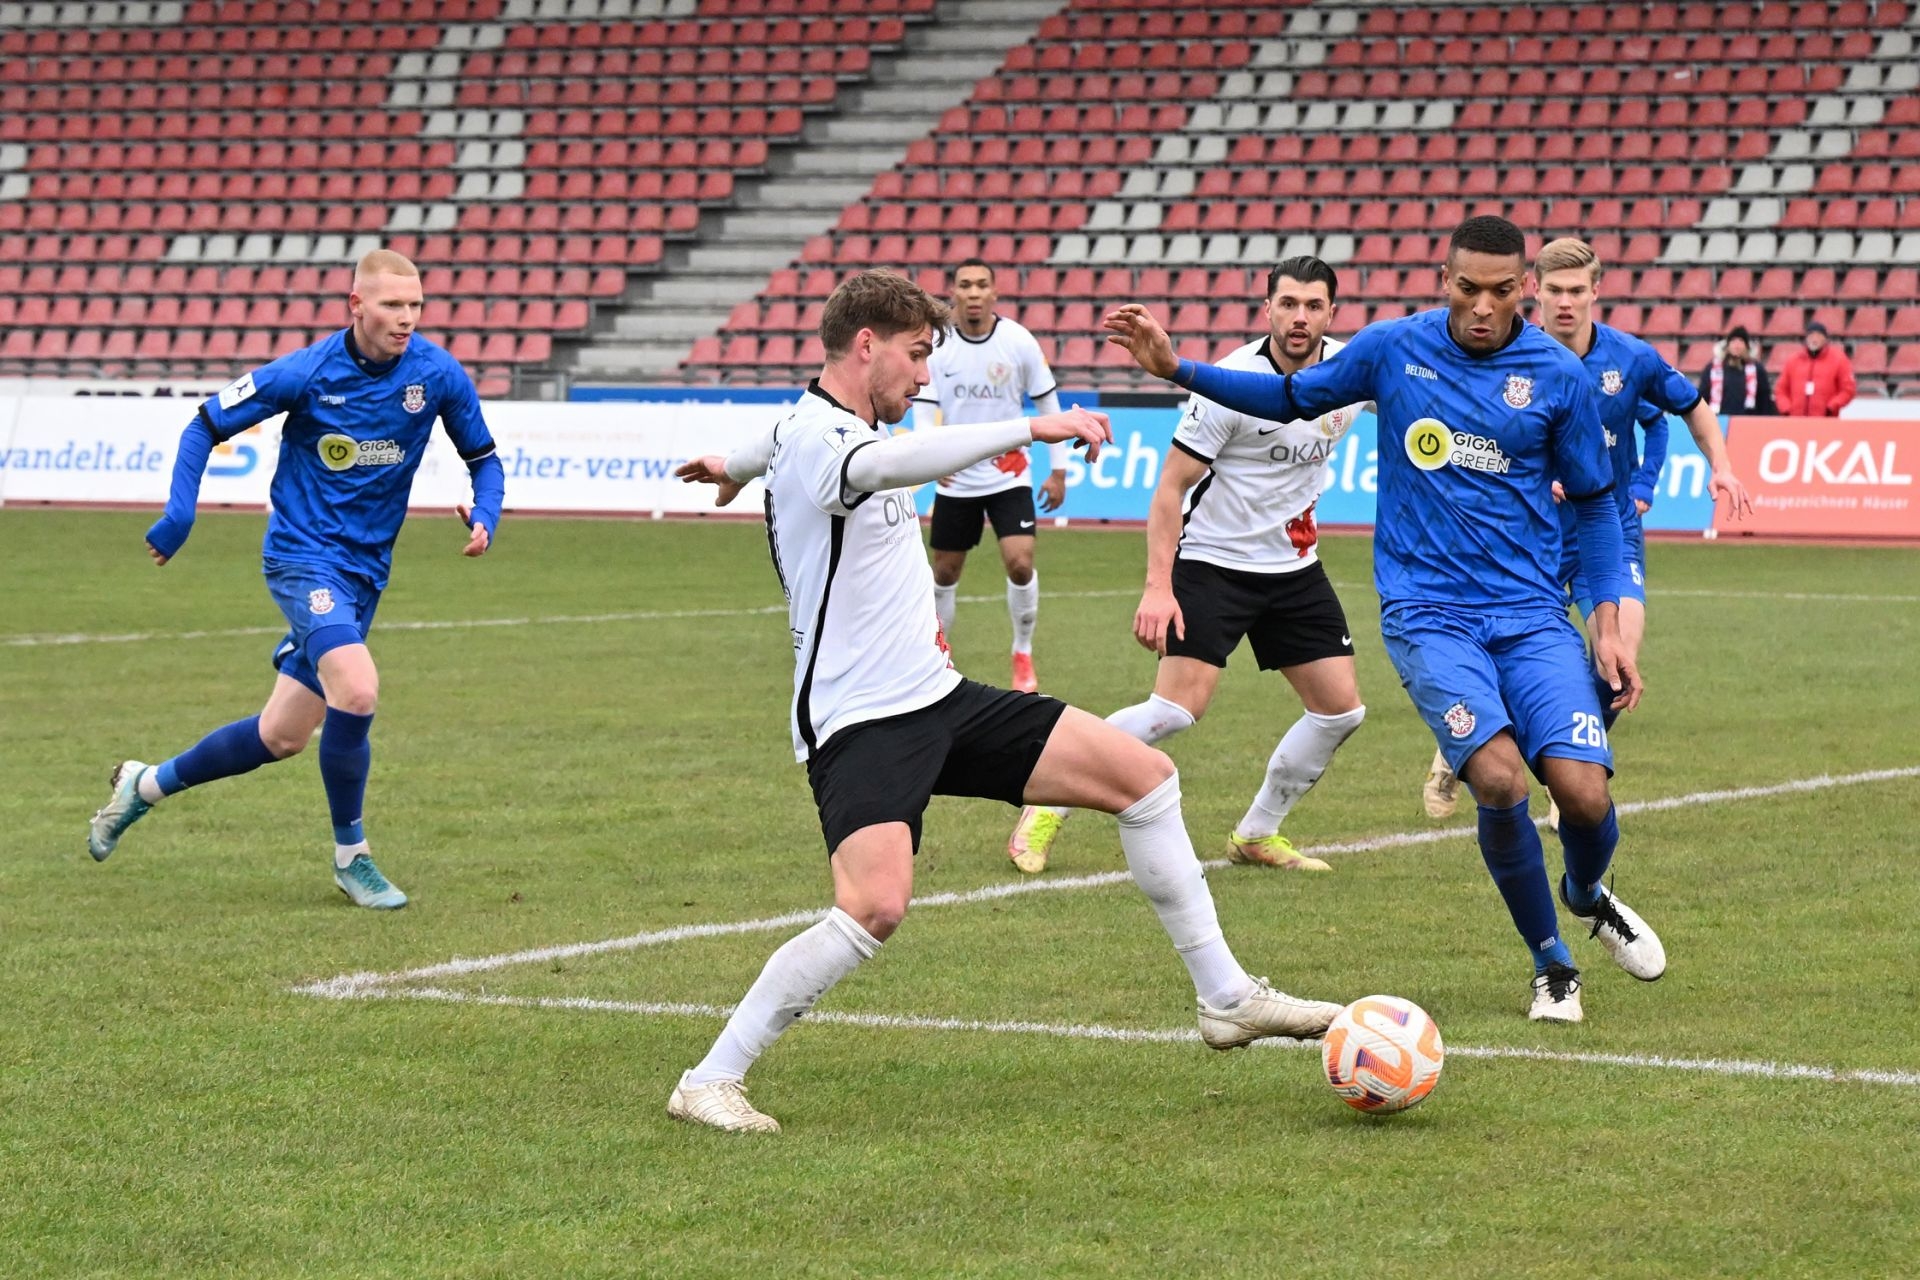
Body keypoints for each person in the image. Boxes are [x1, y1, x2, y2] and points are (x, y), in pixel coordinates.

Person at [667, 270, 1346, 1132]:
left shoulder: (807, 426)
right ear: (866, 346)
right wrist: (1031, 425)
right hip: (860, 718)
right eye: (917, 356)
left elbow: (771, 443)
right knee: (874, 907)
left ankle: (1227, 998)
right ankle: (709, 1079)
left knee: (1143, 778)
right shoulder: (826, 439)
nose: (926, 377)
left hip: (937, 696)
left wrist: (728, 467)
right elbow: (877, 465)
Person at [1105, 216, 1662, 1025]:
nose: (1482, 306)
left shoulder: (1557, 376)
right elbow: (1288, 396)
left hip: (1531, 610)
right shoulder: (1393, 349)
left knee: (1582, 794)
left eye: (1500, 292)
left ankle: (1585, 892)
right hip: (1428, 611)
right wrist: (1177, 369)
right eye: (1466, 288)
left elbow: (1595, 504)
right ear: (1444, 280)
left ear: (1526, 290)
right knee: (1499, 779)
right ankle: (1552, 963)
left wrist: (1607, 626)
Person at [86, 249, 506, 910]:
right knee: (358, 690)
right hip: (302, 556)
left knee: (280, 736)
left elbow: (484, 459)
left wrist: (486, 515)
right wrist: (179, 514)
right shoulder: (306, 371)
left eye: (415, 305)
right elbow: (205, 424)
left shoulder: (437, 373)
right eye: (392, 305)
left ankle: (142, 786)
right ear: (356, 305)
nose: (406, 318)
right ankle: (352, 858)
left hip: (365, 574)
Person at [1007, 257, 1371, 876]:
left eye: (1314, 306)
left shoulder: (1348, 374)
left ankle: (1257, 834)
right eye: (1288, 304)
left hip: (1293, 568)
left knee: (1340, 711)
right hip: (1213, 564)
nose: (1300, 317)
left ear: (1332, 313)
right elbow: (1170, 489)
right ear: (1267, 309)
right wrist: (1159, 587)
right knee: (1175, 710)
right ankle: (1048, 802)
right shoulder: (1231, 383)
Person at [1422, 238, 1753, 823]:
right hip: (1529, 539)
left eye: (1577, 290)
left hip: (1608, 530)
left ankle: (1568, 769)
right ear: (1535, 291)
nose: (1565, 302)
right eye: (1554, 290)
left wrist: (1721, 465)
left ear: (1596, 291)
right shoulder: (1506, 360)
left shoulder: (1632, 358)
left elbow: (1692, 406)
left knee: (1618, 657)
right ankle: (1465, 740)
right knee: (1506, 656)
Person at [912, 259, 1066, 693]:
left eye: (982, 285)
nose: (974, 293)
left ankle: (1022, 652)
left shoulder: (1018, 341)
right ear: (954, 293)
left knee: (1020, 562)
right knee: (945, 572)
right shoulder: (938, 346)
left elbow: (1048, 404)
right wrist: (933, 458)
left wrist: (1058, 470)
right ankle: (938, 658)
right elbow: (923, 410)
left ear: (994, 292)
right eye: (966, 285)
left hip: (1008, 473)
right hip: (957, 478)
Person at [1773, 319, 1856, 417]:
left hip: (1825, 421)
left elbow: (1848, 389)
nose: (1814, 339)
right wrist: (1786, 409)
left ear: (1825, 339)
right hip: (1796, 420)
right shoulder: (1793, 361)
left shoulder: (1839, 360)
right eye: (1811, 335)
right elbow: (1780, 389)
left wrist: (1831, 407)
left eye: (1818, 336)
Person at [1697, 325, 1773, 417]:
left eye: (1741, 341)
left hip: (1748, 420)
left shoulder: (1757, 370)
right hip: (1718, 419)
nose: (1737, 345)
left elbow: (1764, 401)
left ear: (1747, 347)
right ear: (1727, 346)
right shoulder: (1712, 369)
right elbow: (1703, 397)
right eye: (1733, 341)